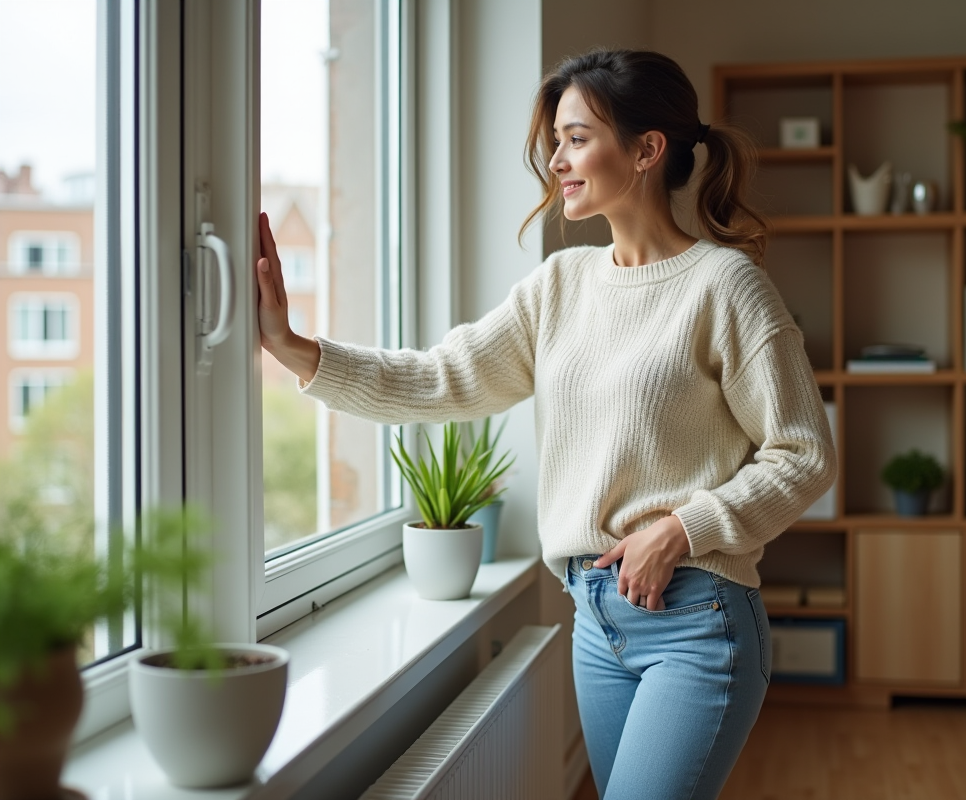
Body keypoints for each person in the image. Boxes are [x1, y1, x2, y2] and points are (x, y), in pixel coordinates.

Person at [256, 48, 835, 800]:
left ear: (648, 149)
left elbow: (803, 453)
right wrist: (294, 348)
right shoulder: (560, 286)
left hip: (698, 622)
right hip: (595, 620)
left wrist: (680, 529)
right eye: (556, 140)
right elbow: (438, 377)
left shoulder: (725, 287)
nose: (556, 160)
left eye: (576, 137)